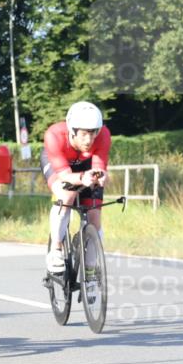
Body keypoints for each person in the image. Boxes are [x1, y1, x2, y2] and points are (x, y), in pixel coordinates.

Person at [40, 102, 111, 273]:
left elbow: (99, 166)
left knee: (94, 215)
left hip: (85, 165)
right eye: (84, 134)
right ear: (72, 130)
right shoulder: (54, 136)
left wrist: (102, 176)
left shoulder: (103, 136)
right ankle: (55, 250)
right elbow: (64, 175)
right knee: (67, 196)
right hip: (59, 165)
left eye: (93, 134)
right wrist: (81, 178)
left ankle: (91, 271)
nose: (89, 140)